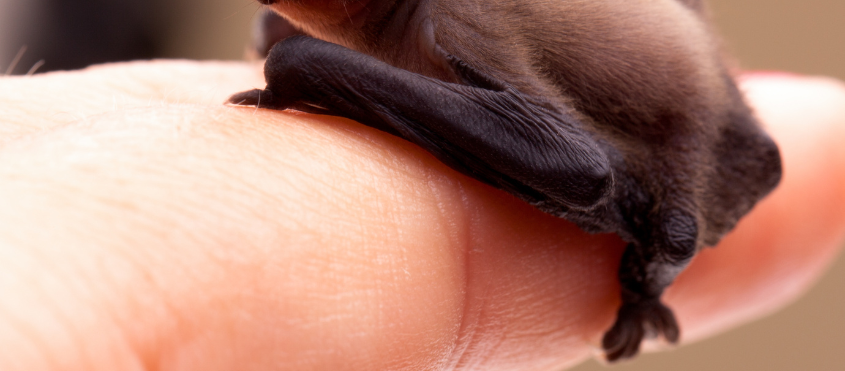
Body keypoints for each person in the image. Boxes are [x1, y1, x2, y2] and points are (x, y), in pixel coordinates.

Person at [0, 60, 843, 370]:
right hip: (640, 92)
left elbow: (585, 171)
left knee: (609, 188)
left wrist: (644, 284)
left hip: (637, 139)